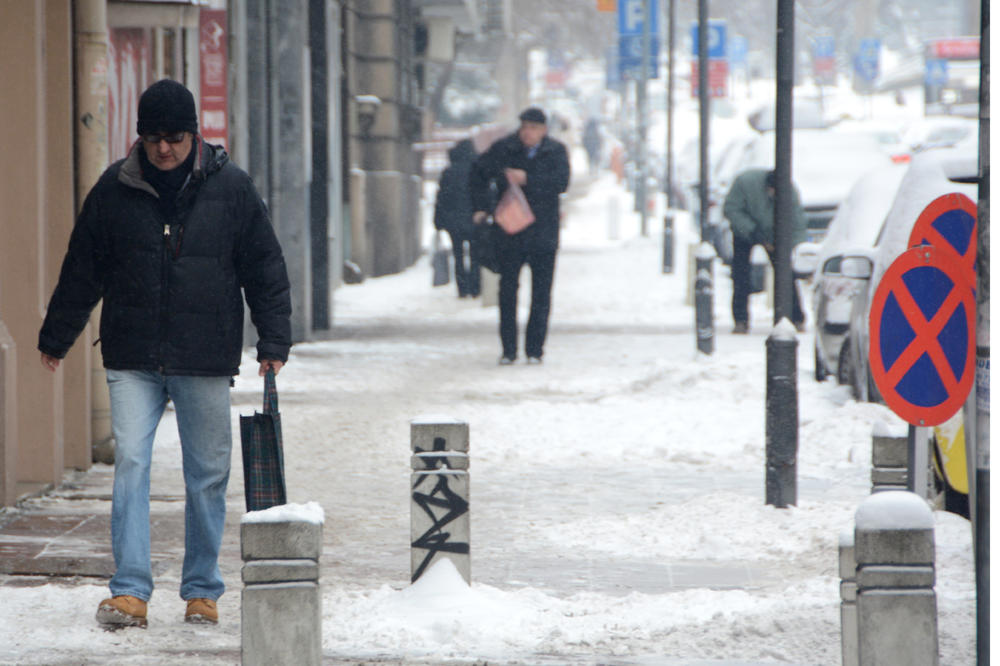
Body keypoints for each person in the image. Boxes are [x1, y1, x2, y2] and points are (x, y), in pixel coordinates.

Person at [37, 79, 292, 629]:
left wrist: (273, 341)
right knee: (131, 462)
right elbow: (83, 267)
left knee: (206, 473)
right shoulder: (113, 190)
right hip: (132, 352)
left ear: (193, 134)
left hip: (203, 354)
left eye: (174, 137)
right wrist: (57, 336)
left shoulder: (232, 189)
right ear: (140, 138)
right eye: (152, 138)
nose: (164, 150)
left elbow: (265, 267)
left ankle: (201, 590)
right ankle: (129, 590)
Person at [469, 107, 570, 365]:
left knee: (541, 293)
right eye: (525, 127)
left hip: (544, 231)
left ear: (544, 130)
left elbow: (561, 182)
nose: (528, 133)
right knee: (508, 290)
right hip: (510, 231)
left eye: (534, 128)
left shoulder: (555, 151)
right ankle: (509, 349)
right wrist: (481, 208)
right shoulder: (504, 149)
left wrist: (529, 179)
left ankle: (535, 350)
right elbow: (477, 173)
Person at [722, 168, 807, 334]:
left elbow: (797, 221)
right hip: (744, 231)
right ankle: (741, 320)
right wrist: (751, 231)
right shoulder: (745, 183)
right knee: (741, 275)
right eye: (772, 192)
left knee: (785, 274)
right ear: (767, 187)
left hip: (774, 233)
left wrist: (797, 248)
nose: (774, 195)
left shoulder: (789, 191)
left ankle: (796, 317)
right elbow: (731, 209)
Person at [434, 139, 480, 298]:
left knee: (458, 255)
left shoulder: (449, 172)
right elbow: (483, 194)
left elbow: (441, 198)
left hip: (454, 222)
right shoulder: (477, 170)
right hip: (474, 220)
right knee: (475, 256)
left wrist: (438, 221)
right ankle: (475, 287)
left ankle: (462, 288)